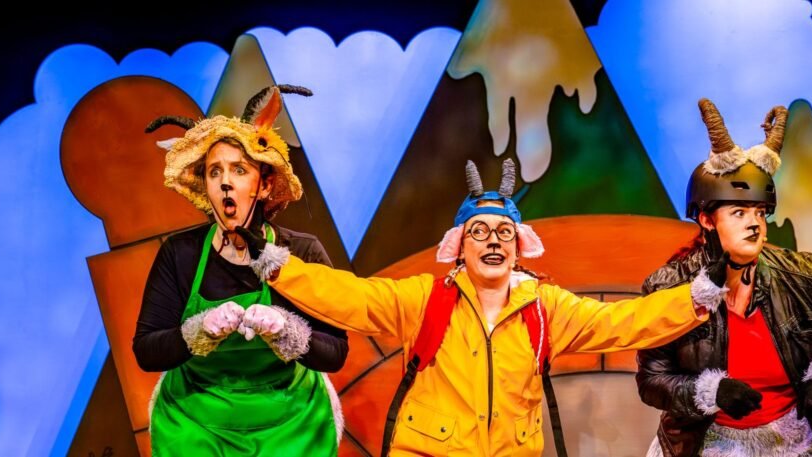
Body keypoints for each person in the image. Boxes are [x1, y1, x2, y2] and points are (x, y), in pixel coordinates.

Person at [237, 158, 725, 456]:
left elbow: (624, 322)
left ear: (518, 246)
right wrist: (279, 267)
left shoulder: (545, 307)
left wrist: (695, 296)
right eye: (480, 232)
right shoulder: (423, 299)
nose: (493, 242)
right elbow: (350, 296)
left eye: (504, 233)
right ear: (460, 246)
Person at [638, 99, 812, 457]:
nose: (754, 224)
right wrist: (710, 392)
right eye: (739, 212)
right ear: (707, 220)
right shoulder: (667, 287)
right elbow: (652, 380)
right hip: (707, 442)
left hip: (793, 440)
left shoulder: (805, 277)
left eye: (760, 212)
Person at [134, 85, 348, 456]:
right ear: (206, 187)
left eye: (239, 170)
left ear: (263, 186)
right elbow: (147, 351)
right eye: (214, 171)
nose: (225, 181)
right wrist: (199, 330)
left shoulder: (302, 251)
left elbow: (336, 352)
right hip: (198, 421)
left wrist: (286, 330)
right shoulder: (180, 254)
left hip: (289, 421)